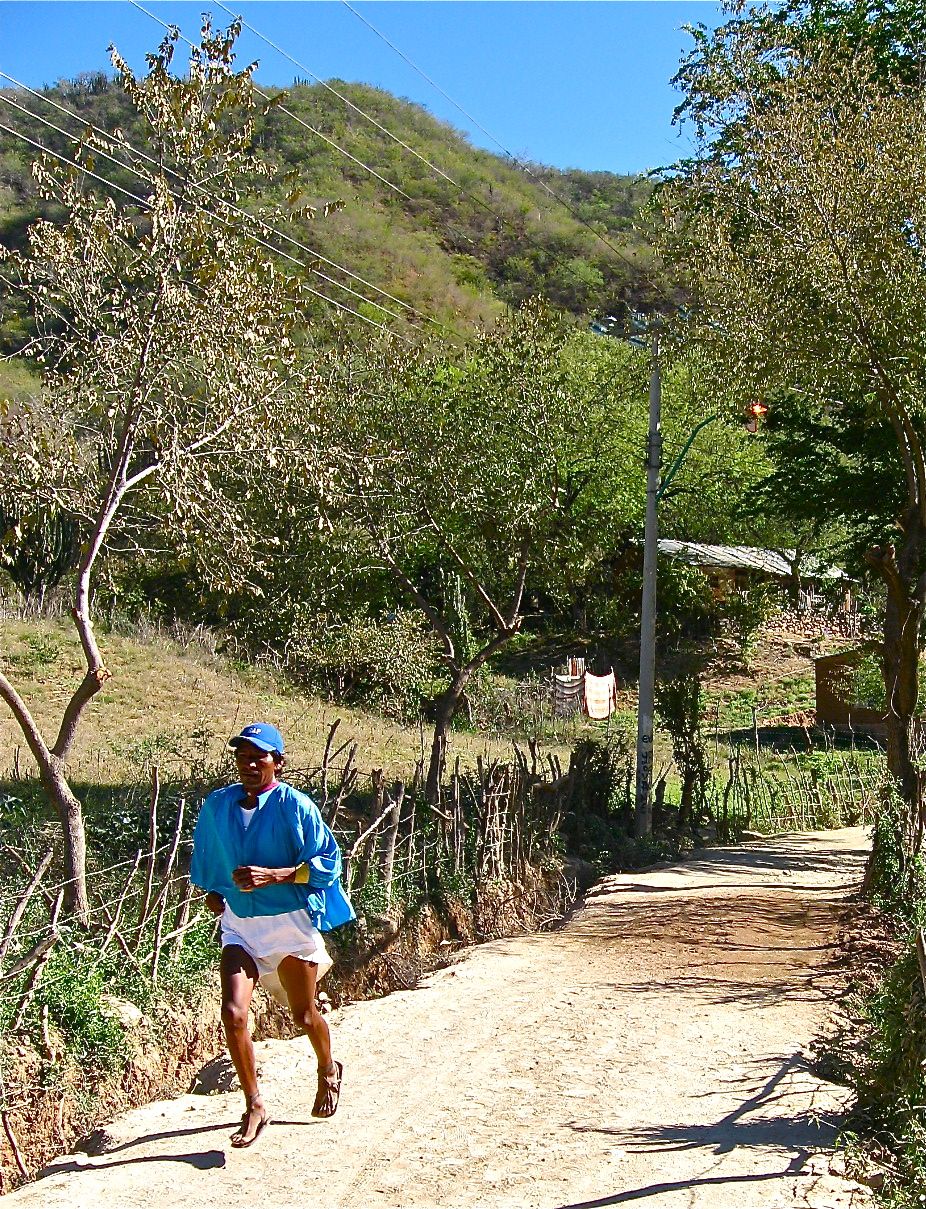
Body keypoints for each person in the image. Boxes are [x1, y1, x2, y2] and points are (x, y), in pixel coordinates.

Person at [190, 722, 355, 1147]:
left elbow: (327, 865)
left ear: (277, 762)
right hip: (240, 926)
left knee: (303, 1015)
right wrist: (217, 891)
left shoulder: (294, 806)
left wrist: (275, 875)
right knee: (233, 1012)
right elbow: (209, 854)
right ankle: (255, 1105)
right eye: (242, 755)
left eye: (259, 756)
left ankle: (328, 1069)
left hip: (289, 924)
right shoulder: (219, 805)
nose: (248, 762)